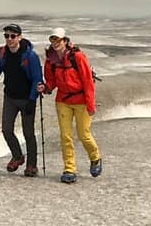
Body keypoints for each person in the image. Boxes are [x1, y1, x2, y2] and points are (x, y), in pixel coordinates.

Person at [38, 27, 103, 184]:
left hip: (81, 101)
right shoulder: (51, 60)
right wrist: (46, 88)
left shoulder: (78, 57)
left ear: (65, 41)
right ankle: (69, 169)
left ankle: (95, 158)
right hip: (63, 101)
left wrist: (90, 103)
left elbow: (87, 81)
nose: (55, 43)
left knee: (83, 134)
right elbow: (52, 80)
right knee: (65, 136)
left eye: (58, 40)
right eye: (52, 40)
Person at [0, 23, 44, 177]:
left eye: (13, 36)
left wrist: (31, 99)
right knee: (6, 130)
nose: (9, 39)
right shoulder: (1, 53)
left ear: (19, 37)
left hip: (27, 98)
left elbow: (37, 79)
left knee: (28, 133)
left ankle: (32, 166)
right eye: (6, 36)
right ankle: (17, 156)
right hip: (10, 97)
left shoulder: (30, 56)